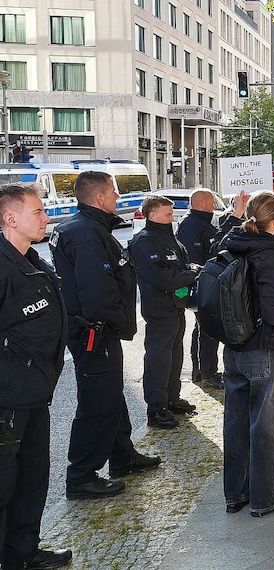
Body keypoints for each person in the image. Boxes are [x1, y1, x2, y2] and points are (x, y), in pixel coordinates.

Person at [50, 171, 160, 500]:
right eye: (113, 192)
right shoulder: (86, 234)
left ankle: (122, 455)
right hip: (94, 331)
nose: (117, 197)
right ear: (99, 198)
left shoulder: (85, 227)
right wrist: (119, 322)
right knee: (97, 403)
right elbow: (97, 292)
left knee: (111, 396)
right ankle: (81, 475)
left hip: (94, 329)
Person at [0, 183, 73, 570]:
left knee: (32, 480)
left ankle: (23, 553)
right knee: (4, 486)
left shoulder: (33, 260)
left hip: (35, 394)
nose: (47, 217)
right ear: (11, 218)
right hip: (8, 400)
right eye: (39, 212)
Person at [220, 191, 274, 517]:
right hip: (265, 348)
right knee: (273, 427)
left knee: (236, 424)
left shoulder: (232, 243)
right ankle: (266, 499)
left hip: (235, 347)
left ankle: (235, 495)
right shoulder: (270, 254)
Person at [128, 196, 200, 430]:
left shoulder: (170, 239)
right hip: (159, 309)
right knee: (158, 359)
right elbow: (164, 278)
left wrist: (188, 272)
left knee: (175, 355)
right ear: (152, 215)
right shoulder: (144, 241)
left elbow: (182, 267)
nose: (172, 217)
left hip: (176, 307)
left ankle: (171, 398)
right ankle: (156, 408)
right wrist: (191, 274)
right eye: (168, 214)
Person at [177, 189, 224, 389]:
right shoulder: (192, 225)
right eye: (212, 202)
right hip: (201, 284)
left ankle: (203, 371)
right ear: (203, 204)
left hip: (205, 282)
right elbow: (194, 257)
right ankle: (206, 372)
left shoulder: (198, 223)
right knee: (207, 329)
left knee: (205, 329)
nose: (214, 206)